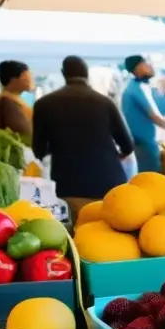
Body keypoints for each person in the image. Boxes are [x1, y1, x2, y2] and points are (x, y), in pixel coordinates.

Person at [32, 57, 135, 218]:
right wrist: (117, 156)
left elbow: (38, 150)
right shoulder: (105, 102)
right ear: (87, 74)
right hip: (109, 185)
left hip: (69, 184)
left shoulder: (43, 104)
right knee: (112, 236)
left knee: (79, 235)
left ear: (63, 74)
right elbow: (128, 145)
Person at [120, 55, 165, 173]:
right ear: (138, 68)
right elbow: (155, 117)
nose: (151, 66)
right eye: (146, 64)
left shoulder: (135, 87)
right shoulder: (136, 89)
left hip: (142, 144)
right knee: (152, 181)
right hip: (144, 145)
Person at [0, 60, 34, 144]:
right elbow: (24, 131)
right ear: (13, 79)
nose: (30, 80)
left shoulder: (14, 98)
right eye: (26, 76)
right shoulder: (6, 101)